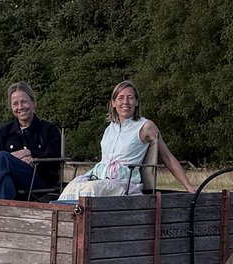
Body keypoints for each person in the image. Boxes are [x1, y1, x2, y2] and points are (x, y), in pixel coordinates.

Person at [58, 80, 195, 200]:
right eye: (120, 98)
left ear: (136, 102)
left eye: (130, 98)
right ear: (113, 103)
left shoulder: (145, 126)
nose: (125, 102)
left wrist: (188, 186)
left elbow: (167, 157)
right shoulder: (110, 128)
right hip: (100, 177)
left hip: (125, 182)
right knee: (72, 186)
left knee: (91, 189)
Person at [0, 83, 63, 200]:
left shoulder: (49, 129)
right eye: (15, 104)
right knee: (5, 182)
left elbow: (53, 156)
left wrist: (29, 153)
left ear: (33, 102)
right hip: (13, 181)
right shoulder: (2, 132)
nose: (20, 107)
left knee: (3, 157)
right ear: (11, 107)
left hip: (38, 179)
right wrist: (16, 158)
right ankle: (4, 216)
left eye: (24, 101)